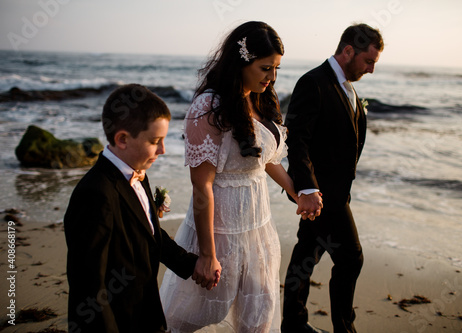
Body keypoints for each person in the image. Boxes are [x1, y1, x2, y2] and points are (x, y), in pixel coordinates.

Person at [159, 21, 298, 332]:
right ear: (242, 61)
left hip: (258, 227)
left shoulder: (261, 97)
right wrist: (207, 255)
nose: (272, 77)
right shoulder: (208, 107)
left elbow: (267, 160)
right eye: (265, 68)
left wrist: (296, 191)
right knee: (184, 318)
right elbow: (201, 186)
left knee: (258, 316)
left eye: (276, 68)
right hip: (218, 230)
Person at [64, 84, 215, 333]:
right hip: (118, 320)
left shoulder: (139, 175)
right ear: (122, 139)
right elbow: (88, 285)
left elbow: (152, 235)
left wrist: (192, 265)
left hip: (146, 312)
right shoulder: (96, 194)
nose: (163, 150)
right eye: (155, 141)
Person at [281, 24, 384, 333]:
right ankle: (344, 329)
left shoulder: (349, 88)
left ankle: (294, 324)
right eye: (368, 61)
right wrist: (308, 187)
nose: (371, 69)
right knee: (351, 258)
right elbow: (296, 138)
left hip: (337, 193)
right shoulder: (313, 83)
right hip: (322, 195)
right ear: (348, 51)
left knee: (306, 255)